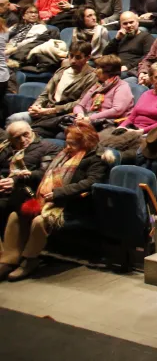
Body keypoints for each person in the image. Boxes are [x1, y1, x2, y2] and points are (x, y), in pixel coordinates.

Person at [0, 121, 107, 282]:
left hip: (73, 204)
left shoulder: (97, 158)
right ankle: (9, 259)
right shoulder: (64, 154)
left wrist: (57, 193)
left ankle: (30, 260)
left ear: (85, 141)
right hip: (49, 199)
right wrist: (28, 174)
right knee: (16, 215)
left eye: (73, 143)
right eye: (67, 142)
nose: (68, 146)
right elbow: (46, 174)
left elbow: (89, 183)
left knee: (39, 221)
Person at [8, 41, 96, 134]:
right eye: (71, 56)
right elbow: (46, 93)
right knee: (14, 119)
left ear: (87, 58)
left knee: (32, 132)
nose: (73, 60)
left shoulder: (92, 76)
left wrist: (51, 110)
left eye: (78, 57)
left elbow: (81, 103)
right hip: (45, 111)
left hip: (63, 116)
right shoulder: (62, 70)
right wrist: (36, 106)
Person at [0, 122, 59, 217]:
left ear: (31, 131)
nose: (22, 140)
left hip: (24, 189)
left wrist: (15, 180)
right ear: (10, 139)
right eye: (17, 138)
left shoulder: (48, 147)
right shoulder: (5, 148)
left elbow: (45, 173)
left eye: (25, 134)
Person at [119, 62, 157, 133]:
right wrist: (120, 127)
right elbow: (131, 118)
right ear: (151, 79)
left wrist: (141, 131)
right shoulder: (146, 93)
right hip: (132, 129)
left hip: (151, 133)